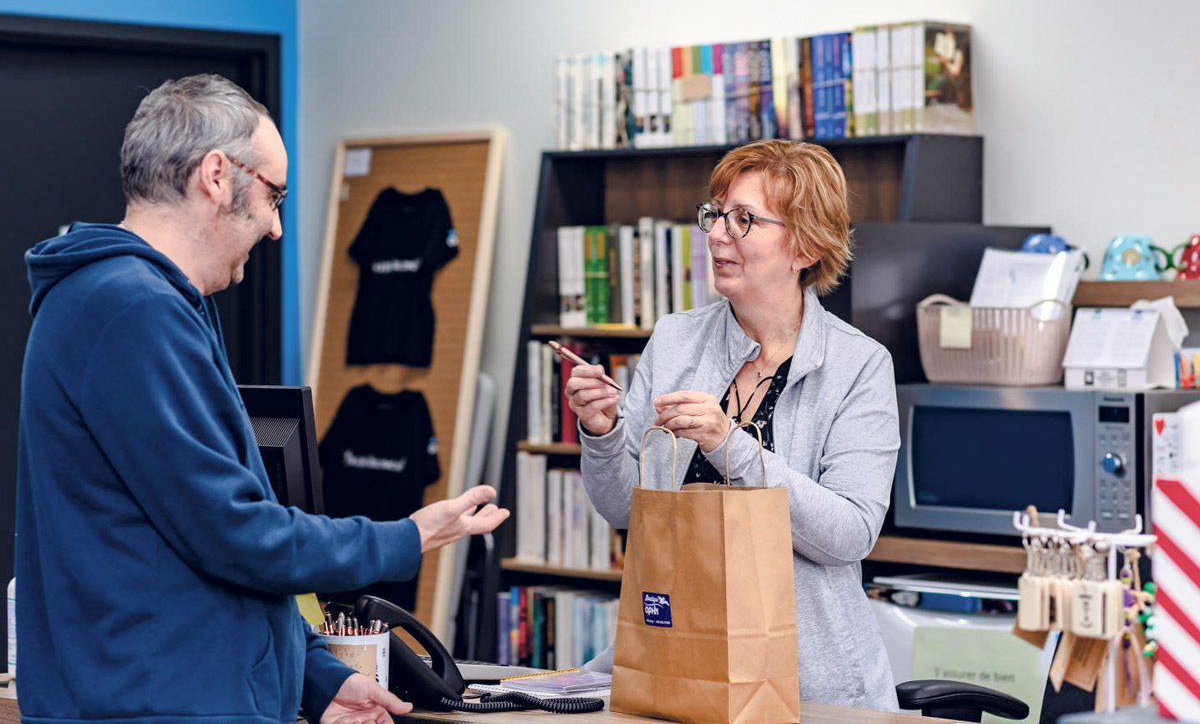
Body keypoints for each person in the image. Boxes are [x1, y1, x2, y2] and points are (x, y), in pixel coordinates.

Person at [15, 74, 509, 724]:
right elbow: (234, 533)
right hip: (156, 706)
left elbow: (185, 543)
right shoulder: (131, 308)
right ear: (217, 176)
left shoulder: (143, 300)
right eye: (275, 195)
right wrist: (408, 536)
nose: (277, 228)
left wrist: (313, 675)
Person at [565, 139, 901, 711]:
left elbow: (850, 534)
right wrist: (602, 434)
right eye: (716, 214)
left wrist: (731, 446)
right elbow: (628, 511)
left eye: (744, 219)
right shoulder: (676, 339)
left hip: (810, 686)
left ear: (806, 246)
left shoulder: (860, 365)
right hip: (677, 661)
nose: (718, 234)